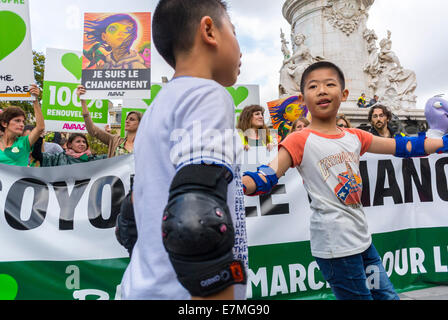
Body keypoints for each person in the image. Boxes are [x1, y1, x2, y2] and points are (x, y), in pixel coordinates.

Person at [242, 61, 448, 300]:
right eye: (313, 86)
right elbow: (267, 174)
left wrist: (440, 142)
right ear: (302, 98)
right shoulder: (299, 140)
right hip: (335, 247)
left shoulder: (355, 136)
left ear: (344, 94)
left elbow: (402, 146)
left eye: (330, 84)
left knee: (388, 297)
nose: (321, 90)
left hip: (362, 240)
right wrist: (240, 183)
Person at [120, 0, 247, 301]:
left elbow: (134, 208)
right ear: (209, 31)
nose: (240, 49)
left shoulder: (156, 108)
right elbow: (195, 219)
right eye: (234, 30)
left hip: (143, 286)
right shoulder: (207, 94)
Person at [76, 85, 141, 157]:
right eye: (126, 119)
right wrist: (83, 101)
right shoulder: (115, 140)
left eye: (132, 119)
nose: (127, 121)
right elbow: (92, 130)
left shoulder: (145, 145)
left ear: (141, 124)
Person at [0, 85, 45, 167]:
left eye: (23, 121)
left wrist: (35, 100)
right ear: (4, 123)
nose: (21, 124)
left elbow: (40, 127)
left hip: (19, 180)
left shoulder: (24, 143)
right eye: (17, 121)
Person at [32, 133, 106, 167]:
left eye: (84, 142)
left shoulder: (90, 159)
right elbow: (37, 155)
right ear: (70, 144)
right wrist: (39, 136)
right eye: (78, 141)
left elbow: (111, 159)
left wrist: (106, 136)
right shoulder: (60, 157)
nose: (82, 144)